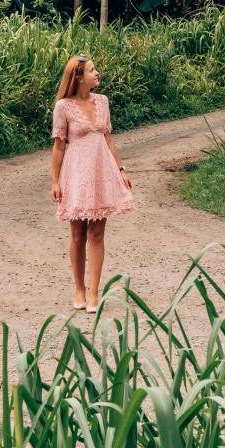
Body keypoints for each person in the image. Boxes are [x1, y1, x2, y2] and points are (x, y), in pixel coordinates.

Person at [51, 53, 134, 313]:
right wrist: (55, 181)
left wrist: (121, 169)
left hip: (102, 173)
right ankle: (79, 289)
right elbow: (58, 147)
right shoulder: (63, 107)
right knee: (77, 234)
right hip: (76, 175)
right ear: (78, 77)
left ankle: (95, 293)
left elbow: (108, 139)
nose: (97, 73)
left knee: (97, 234)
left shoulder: (103, 102)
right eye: (92, 70)